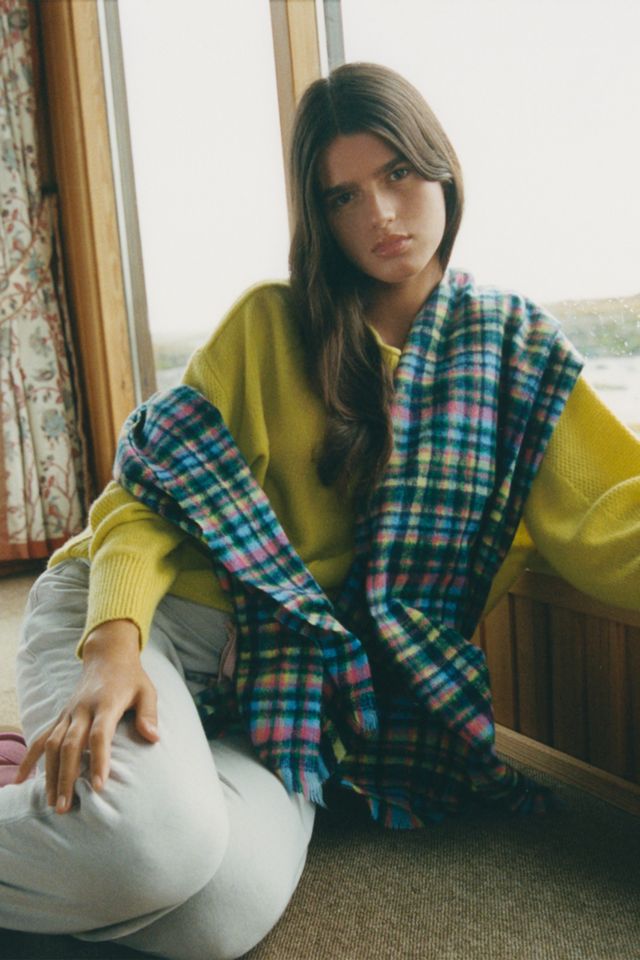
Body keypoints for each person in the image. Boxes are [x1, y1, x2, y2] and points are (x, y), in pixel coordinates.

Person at [1, 62, 639, 960]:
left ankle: (74, 801)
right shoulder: (272, 324)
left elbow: (613, 519)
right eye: (344, 196)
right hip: (142, 620)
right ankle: (108, 800)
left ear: (442, 169)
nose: (380, 213)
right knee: (151, 849)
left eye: (399, 174)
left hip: (291, 682)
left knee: (217, 917)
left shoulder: (514, 354)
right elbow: (145, 499)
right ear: (319, 215)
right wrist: (112, 649)